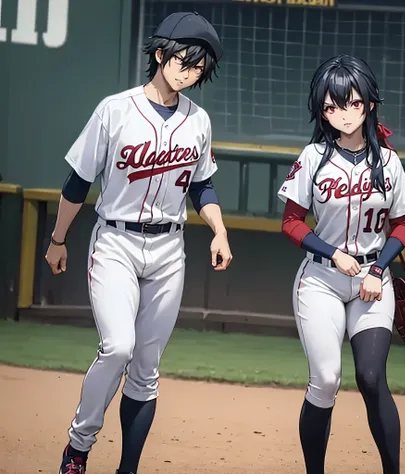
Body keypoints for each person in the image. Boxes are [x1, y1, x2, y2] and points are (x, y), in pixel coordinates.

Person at [45, 12, 232, 474]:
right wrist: (57, 240)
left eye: (199, 66)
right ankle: (79, 444)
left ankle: (128, 468)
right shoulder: (115, 109)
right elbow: (78, 181)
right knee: (119, 348)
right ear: (160, 53)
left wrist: (219, 229)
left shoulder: (199, 121)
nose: (190, 71)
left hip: (170, 250)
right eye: (184, 60)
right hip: (116, 243)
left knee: (146, 368)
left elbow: (202, 186)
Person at [277, 54, 405, 474]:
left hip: (372, 279)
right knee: (325, 381)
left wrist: (379, 270)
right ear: (322, 110)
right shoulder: (314, 157)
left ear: (369, 104)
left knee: (372, 379)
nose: (341, 113)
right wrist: (330, 251)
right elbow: (290, 222)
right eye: (330, 105)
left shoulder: (388, 162)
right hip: (321, 279)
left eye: (351, 102)